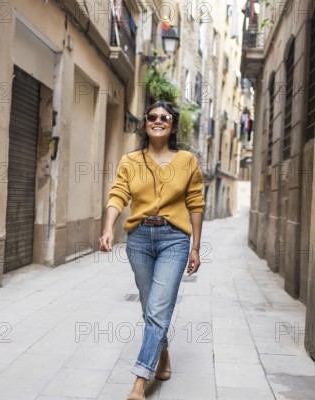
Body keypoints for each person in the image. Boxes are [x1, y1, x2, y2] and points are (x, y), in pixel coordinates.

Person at [99, 101, 205, 400]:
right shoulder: (130, 161)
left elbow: (196, 204)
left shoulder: (187, 161)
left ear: (173, 125)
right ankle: (164, 354)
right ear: (145, 123)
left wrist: (196, 247)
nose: (158, 121)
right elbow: (118, 194)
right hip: (140, 239)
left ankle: (139, 382)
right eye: (152, 117)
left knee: (158, 309)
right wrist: (108, 228)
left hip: (174, 239)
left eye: (164, 117)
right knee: (150, 308)